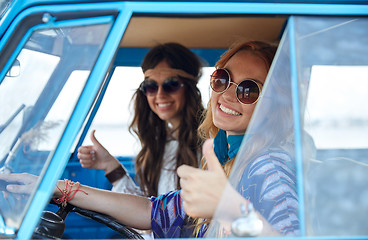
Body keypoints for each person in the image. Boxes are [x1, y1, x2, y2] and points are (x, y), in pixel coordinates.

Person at [1, 40, 299, 238]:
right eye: (222, 79)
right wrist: (58, 188)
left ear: (274, 104)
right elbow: (153, 211)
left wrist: (235, 210)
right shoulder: (225, 156)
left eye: (249, 89)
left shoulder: (267, 164)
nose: (228, 95)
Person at [77, 42, 204, 197]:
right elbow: (150, 208)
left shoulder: (209, 142)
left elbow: (153, 213)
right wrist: (110, 166)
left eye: (171, 84)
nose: (160, 95)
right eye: (151, 86)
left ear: (190, 88)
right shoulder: (159, 142)